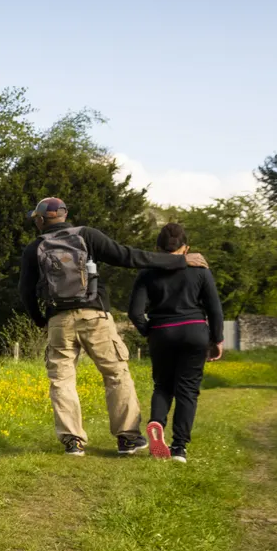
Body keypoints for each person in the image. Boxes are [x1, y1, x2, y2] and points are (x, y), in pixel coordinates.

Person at [17, 197, 208, 456]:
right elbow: (129, 257)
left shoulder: (35, 247)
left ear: (40, 220)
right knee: (116, 373)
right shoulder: (87, 235)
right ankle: (127, 438)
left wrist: (42, 319)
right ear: (65, 214)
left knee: (62, 380)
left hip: (58, 321)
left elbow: (25, 290)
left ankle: (73, 441)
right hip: (95, 316)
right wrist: (179, 261)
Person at [128, 222, 225, 462]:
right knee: (188, 390)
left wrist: (150, 331)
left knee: (163, 385)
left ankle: (156, 423)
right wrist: (217, 339)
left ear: (156, 247)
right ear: (186, 248)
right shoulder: (200, 269)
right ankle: (179, 448)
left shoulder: (148, 272)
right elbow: (214, 308)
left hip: (162, 331)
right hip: (194, 331)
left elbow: (135, 312)